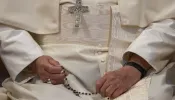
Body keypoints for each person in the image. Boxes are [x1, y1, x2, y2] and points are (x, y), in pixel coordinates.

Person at [0, 0, 175, 100]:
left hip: (135, 71)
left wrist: (136, 66)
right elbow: (6, 24)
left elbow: (169, 20)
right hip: (51, 80)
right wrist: (34, 60)